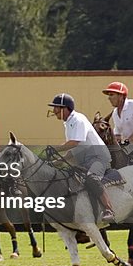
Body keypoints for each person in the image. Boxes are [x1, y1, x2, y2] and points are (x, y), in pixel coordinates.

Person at [47, 93, 115, 223]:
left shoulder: (78, 119)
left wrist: (55, 149)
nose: (54, 111)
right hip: (85, 159)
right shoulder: (68, 123)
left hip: (98, 157)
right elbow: (75, 149)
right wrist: (58, 161)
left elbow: (74, 143)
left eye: (56, 107)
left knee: (91, 177)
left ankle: (108, 209)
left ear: (65, 108)